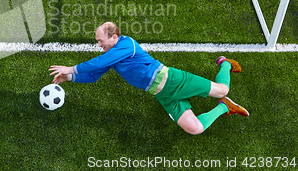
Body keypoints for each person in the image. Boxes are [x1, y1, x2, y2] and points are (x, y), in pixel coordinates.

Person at [49, 22, 249, 135]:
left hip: (173, 80)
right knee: (195, 128)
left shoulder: (127, 44)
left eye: (100, 41)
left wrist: (71, 67)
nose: (99, 44)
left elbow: (99, 63)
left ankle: (225, 63)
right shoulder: (112, 56)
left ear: (113, 37)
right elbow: (93, 75)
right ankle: (225, 106)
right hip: (162, 95)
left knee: (223, 88)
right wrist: (70, 77)